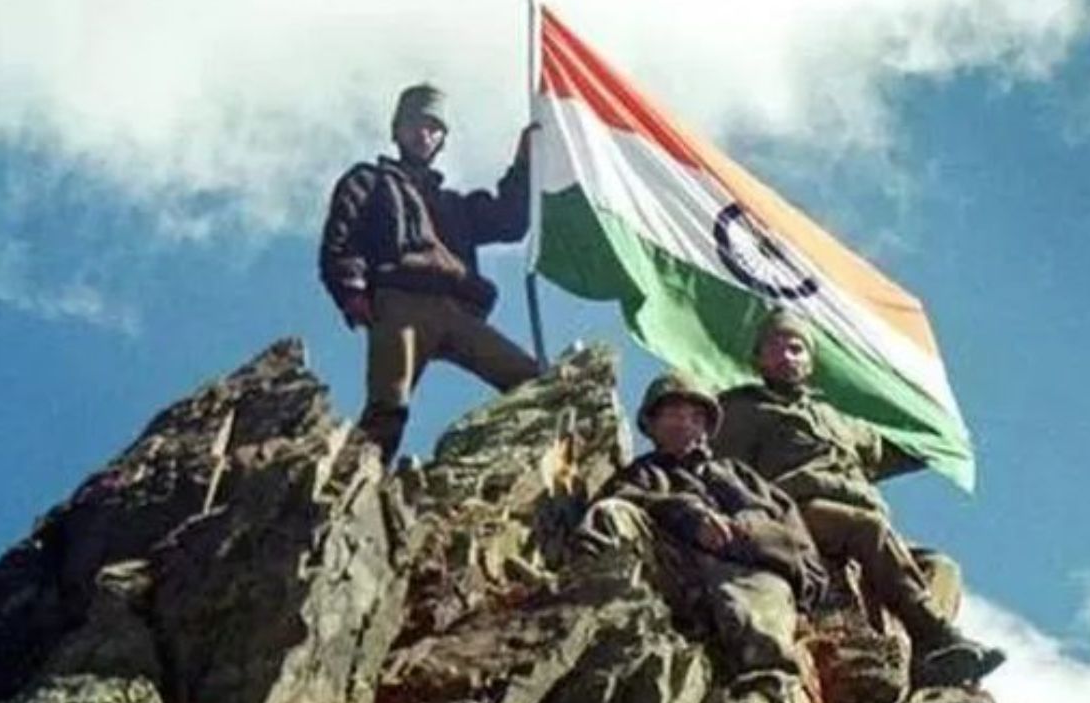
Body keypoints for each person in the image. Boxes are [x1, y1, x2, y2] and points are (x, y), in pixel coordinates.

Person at [713, 308, 1005, 687]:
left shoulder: (838, 419)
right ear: (758, 359)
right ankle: (935, 636)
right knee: (867, 529)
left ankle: (927, 664)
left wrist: (944, 436)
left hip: (854, 516)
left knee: (941, 567)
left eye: (796, 349)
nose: (787, 356)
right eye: (776, 348)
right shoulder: (740, 410)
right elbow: (718, 468)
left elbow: (893, 452)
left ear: (810, 361)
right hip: (793, 514)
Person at [319, 83, 539, 462]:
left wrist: (524, 164)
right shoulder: (369, 181)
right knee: (389, 406)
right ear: (397, 130)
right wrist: (351, 290)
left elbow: (509, 222)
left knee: (534, 382)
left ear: (442, 139)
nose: (424, 134)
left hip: (457, 309)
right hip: (398, 301)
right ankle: (350, 486)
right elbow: (342, 238)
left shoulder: (454, 205)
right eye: (415, 124)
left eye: (434, 128)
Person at [587, 373, 828, 672]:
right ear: (652, 425)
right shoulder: (643, 474)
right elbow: (623, 501)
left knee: (762, 646)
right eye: (673, 414)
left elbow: (800, 545)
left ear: (706, 428)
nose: (684, 423)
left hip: (750, 573)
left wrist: (755, 538)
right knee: (610, 515)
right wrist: (688, 515)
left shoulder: (741, 476)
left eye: (695, 417)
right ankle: (596, 613)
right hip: (678, 567)